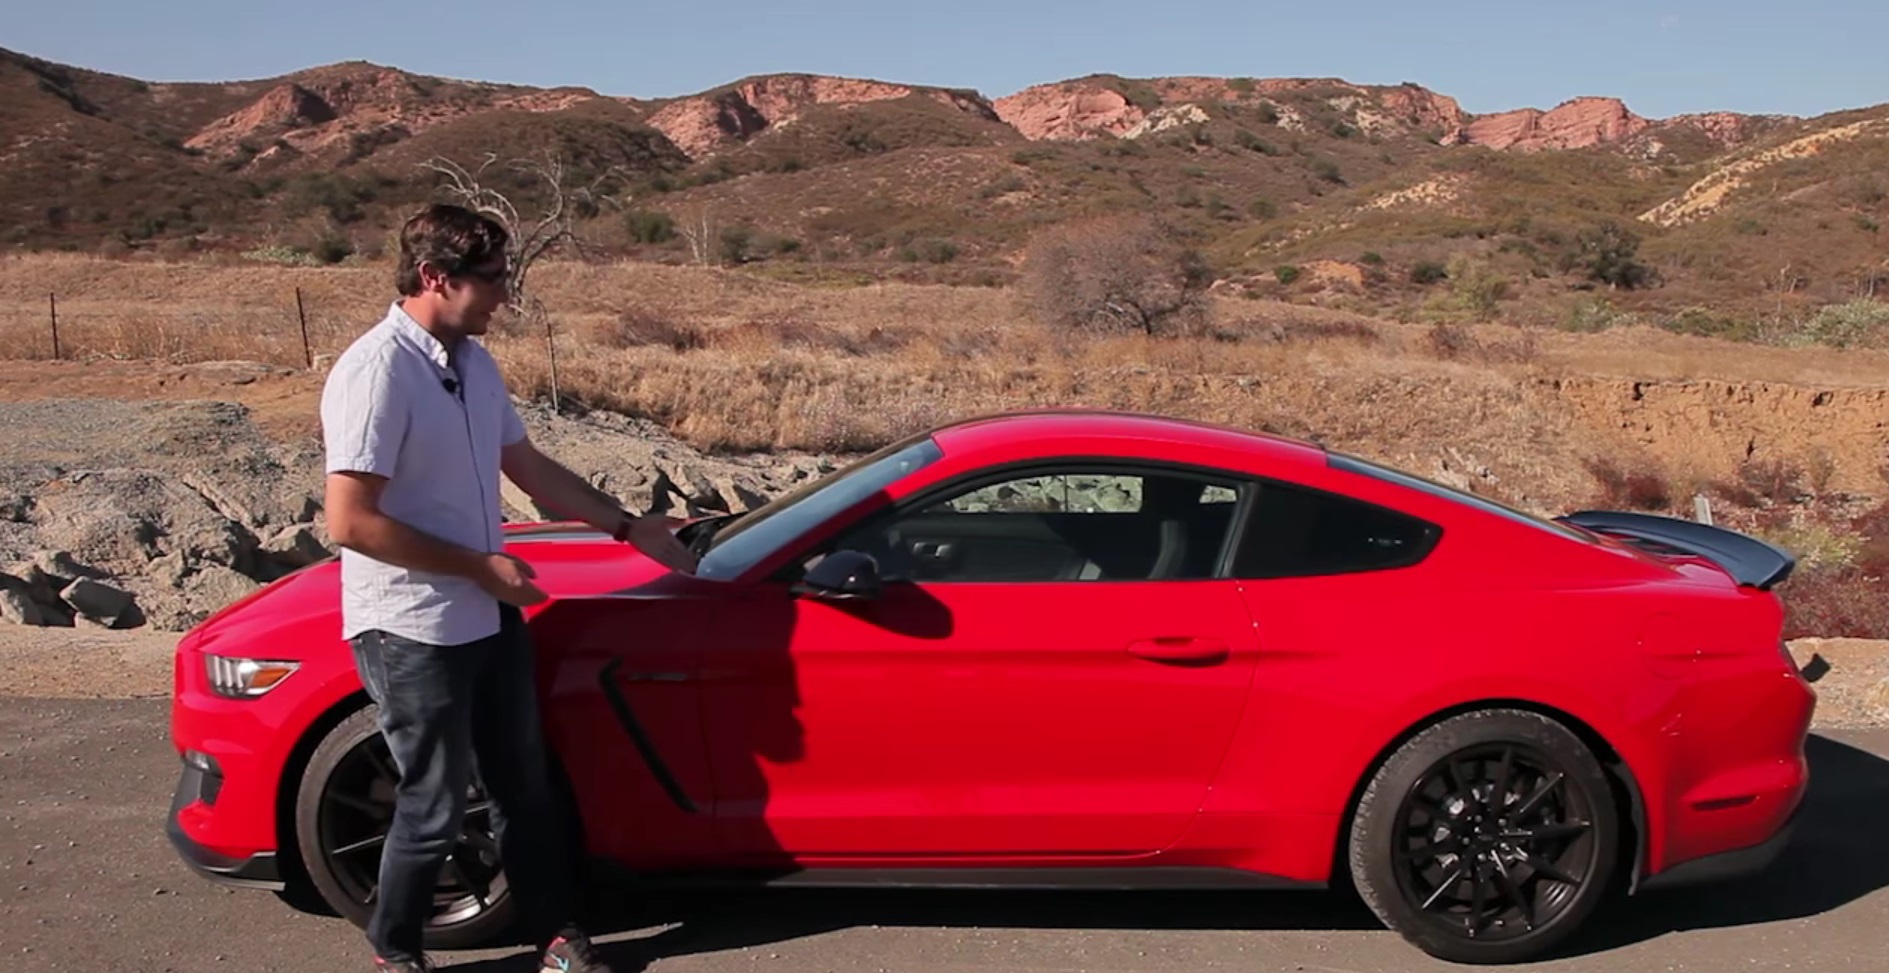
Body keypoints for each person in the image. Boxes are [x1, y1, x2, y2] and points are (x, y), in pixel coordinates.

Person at [319, 203, 699, 973]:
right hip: (411, 625)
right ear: (435, 277)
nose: (504, 297)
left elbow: (528, 469)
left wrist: (629, 527)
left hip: (485, 615)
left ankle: (557, 935)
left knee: (523, 789)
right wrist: (477, 566)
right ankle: (395, 952)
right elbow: (350, 521)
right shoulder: (376, 370)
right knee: (429, 804)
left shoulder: (472, 364)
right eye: (491, 280)